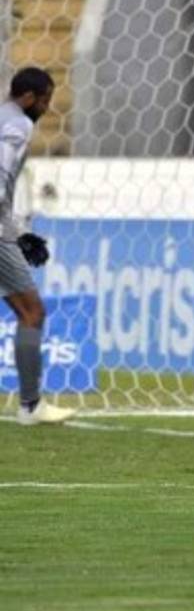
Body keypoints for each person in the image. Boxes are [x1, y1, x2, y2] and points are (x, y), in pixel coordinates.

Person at [0, 67, 75, 425]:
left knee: (28, 310)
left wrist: (17, 231)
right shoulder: (18, 125)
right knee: (32, 312)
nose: (47, 108)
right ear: (29, 97)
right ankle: (30, 406)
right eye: (45, 100)